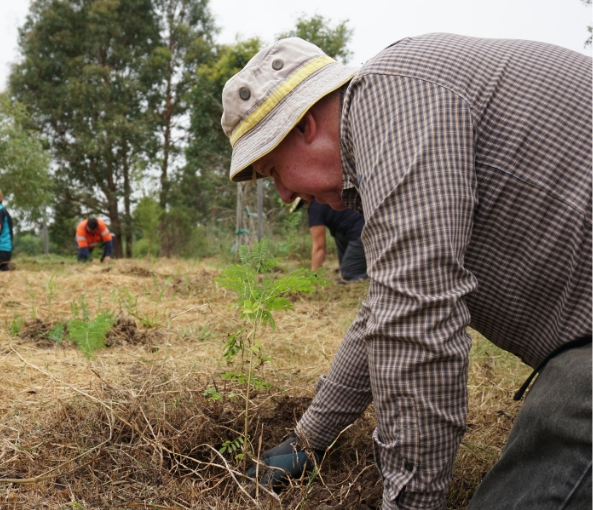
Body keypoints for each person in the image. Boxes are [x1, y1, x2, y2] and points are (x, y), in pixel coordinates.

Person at [221, 35, 591, 509]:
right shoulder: (395, 129)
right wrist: (309, 438)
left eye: (273, 170)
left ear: (305, 125)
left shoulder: (395, 97)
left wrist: (409, 502)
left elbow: (416, 323)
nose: (285, 196)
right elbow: (385, 309)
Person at [306, 199, 366, 282]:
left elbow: (319, 247)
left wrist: (313, 277)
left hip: (362, 233)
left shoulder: (315, 208)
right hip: (362, 229)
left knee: (346, 277)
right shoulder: (327, 200)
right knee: (338, 234)